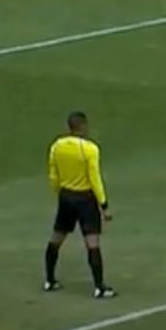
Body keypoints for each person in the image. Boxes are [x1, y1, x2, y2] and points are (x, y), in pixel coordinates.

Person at [44, 111, 116, 299]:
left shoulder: (57, 146)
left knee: (57, 237)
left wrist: (59, 192)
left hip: (66, 196)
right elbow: (94, 179)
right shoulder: (90, 149)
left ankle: (49, 280)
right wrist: (104, 205)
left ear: (69, 127)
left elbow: (53, 173)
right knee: (92, 242)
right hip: (85, 199)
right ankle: (99, 286)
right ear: (83, 127)